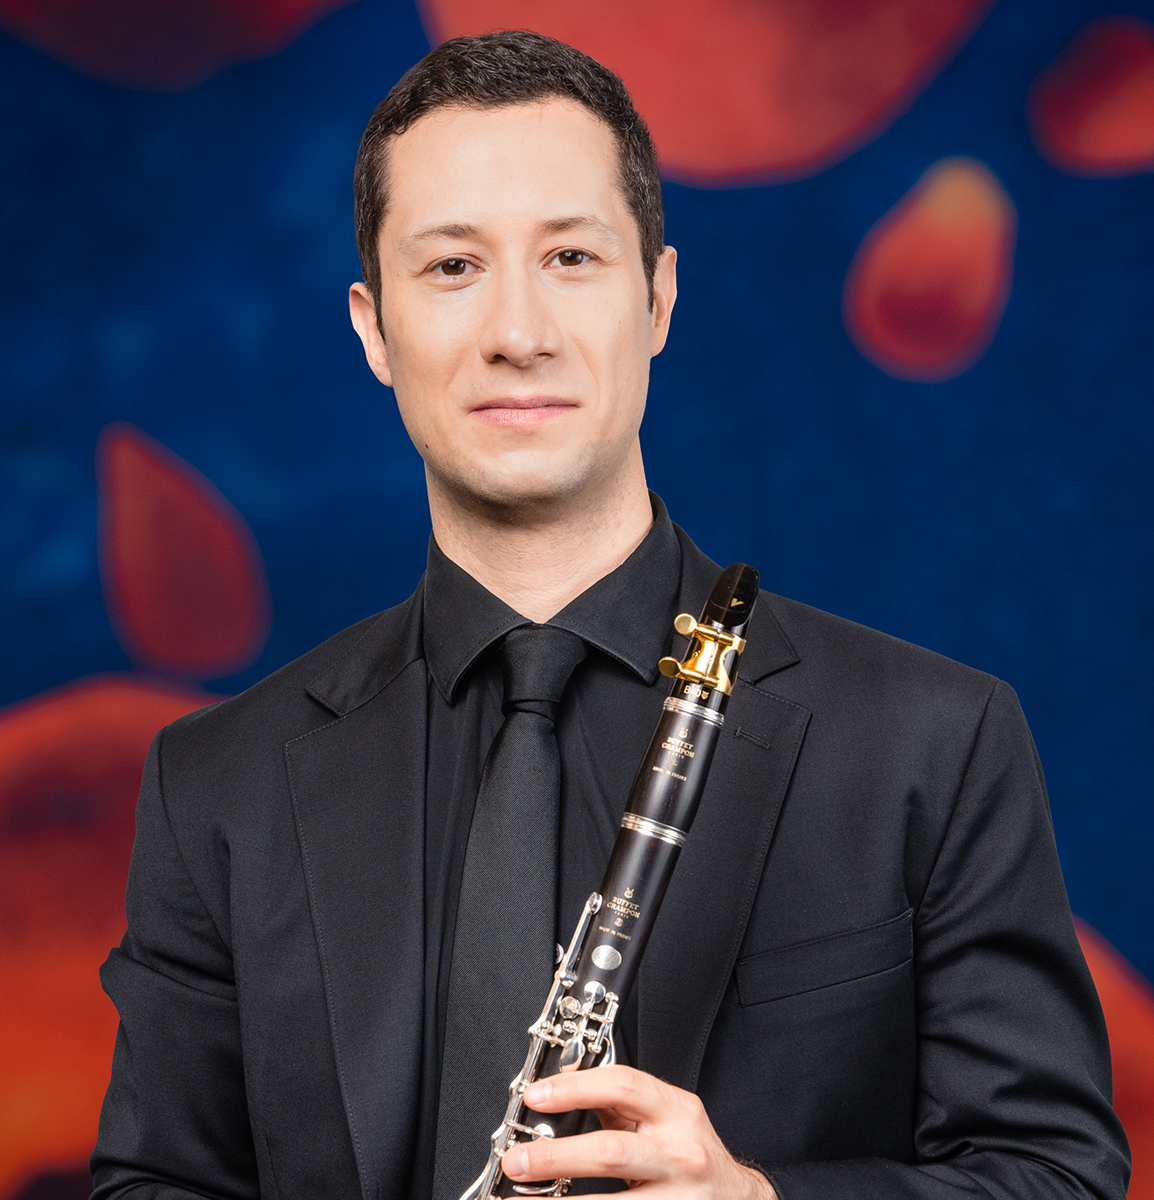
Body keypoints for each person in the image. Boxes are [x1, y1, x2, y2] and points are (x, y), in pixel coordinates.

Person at [91, 30, 1130, 1200]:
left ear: (658, 298)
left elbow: (1055, 1177)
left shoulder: (932, 742)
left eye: (572, 257)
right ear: (372, 328)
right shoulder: (215, 786)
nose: (518, 333)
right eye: (451, 267)